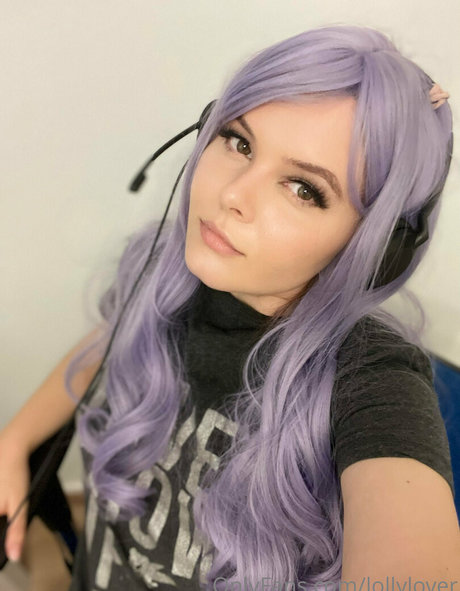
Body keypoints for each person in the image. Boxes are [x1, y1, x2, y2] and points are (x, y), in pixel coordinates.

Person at [0, 23, 459, 590]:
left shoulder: (372, 377)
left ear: (376, 250)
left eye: (304, 189)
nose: (231, 194)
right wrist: (15, 439)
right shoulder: (163, 274)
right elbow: (111, 341)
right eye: (240, 142)